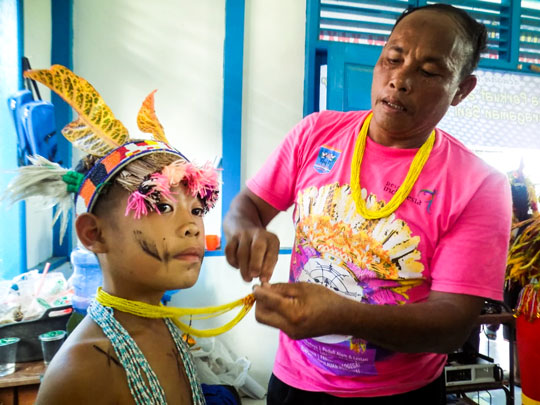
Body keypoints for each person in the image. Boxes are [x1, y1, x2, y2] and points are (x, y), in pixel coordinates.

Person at [223, 4, 512, 404]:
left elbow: (451, 325)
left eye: (429, 71)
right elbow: (247, 206)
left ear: (461, 90)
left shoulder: (479, 185)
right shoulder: (316, 133)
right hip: (294, 384)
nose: (400, 80)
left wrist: (343, 315)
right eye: (393, 59)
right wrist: (247, 229)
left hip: (399, 394)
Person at [2, 65, 246, 404]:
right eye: (161, 207)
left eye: (196, 210)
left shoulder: (164, 327)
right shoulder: (81, 370)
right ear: (94, 234)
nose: (192, 226)